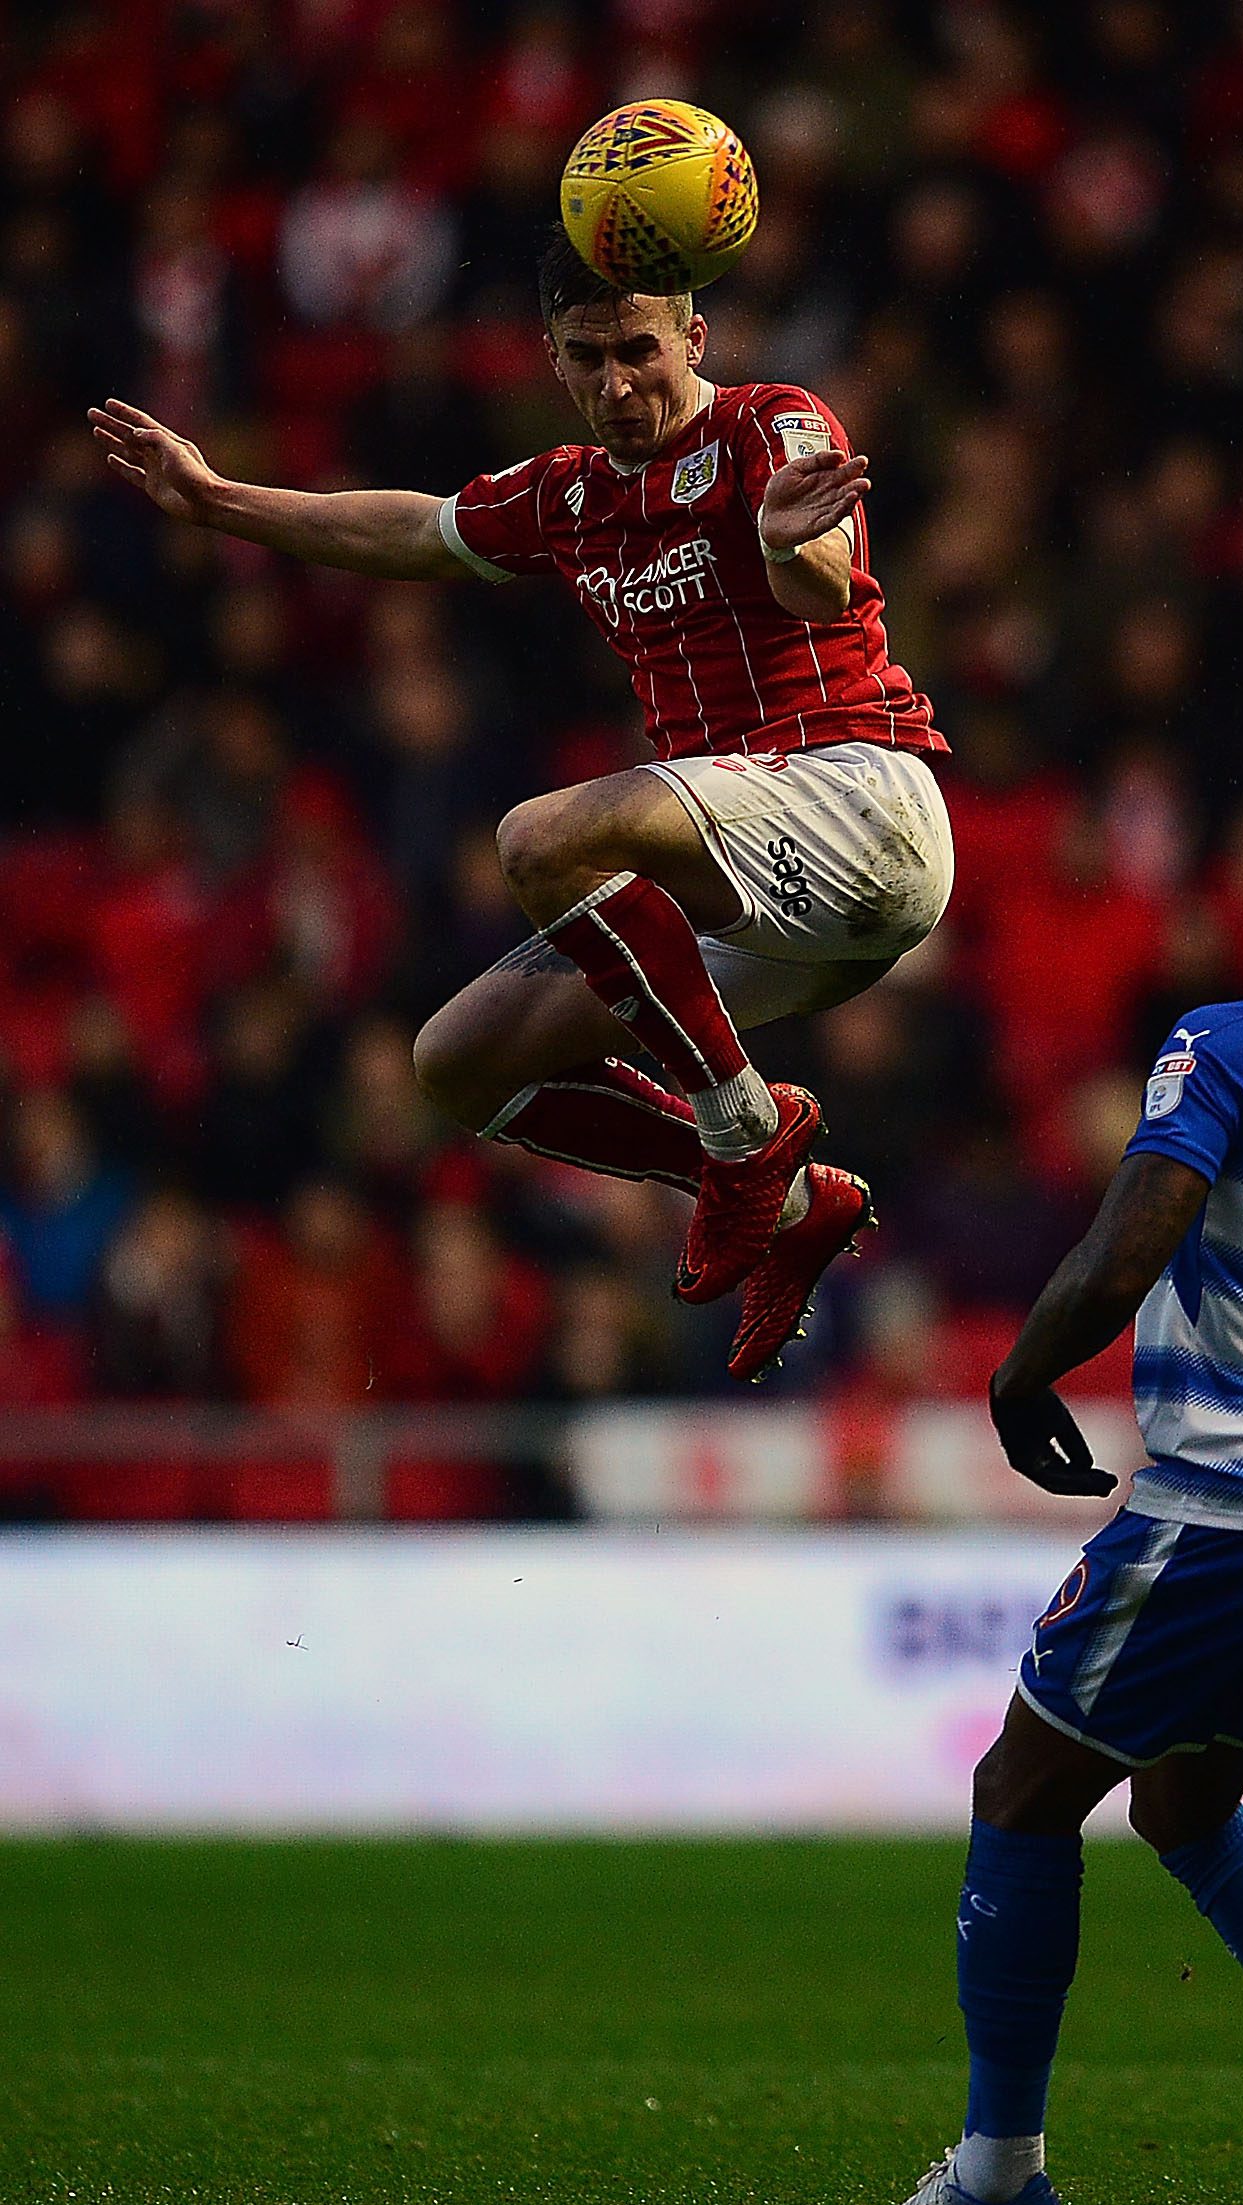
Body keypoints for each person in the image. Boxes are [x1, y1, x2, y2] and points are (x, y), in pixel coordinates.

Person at [88, 227, 954, 1382]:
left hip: (861, 807)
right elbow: (416, 529)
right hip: (755, 892)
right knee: (455, 1064)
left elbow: (826, 571)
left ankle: (746, 1133)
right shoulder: (569, 496)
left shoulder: (768, 422)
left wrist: (788, 546)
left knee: (540, 839)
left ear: (693, 335)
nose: (617, 382)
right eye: (586, 357)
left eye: (639, 349)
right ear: (552, 357)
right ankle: (785, 1196)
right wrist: (219, 503)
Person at [859, 789, 1243, 2205]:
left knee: (1019, 1790)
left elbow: (1130, 1239)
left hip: (1237, 1511)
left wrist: (1017, 1374)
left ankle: (999, 2174)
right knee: (1185, 1804)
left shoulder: (1230, 1042)